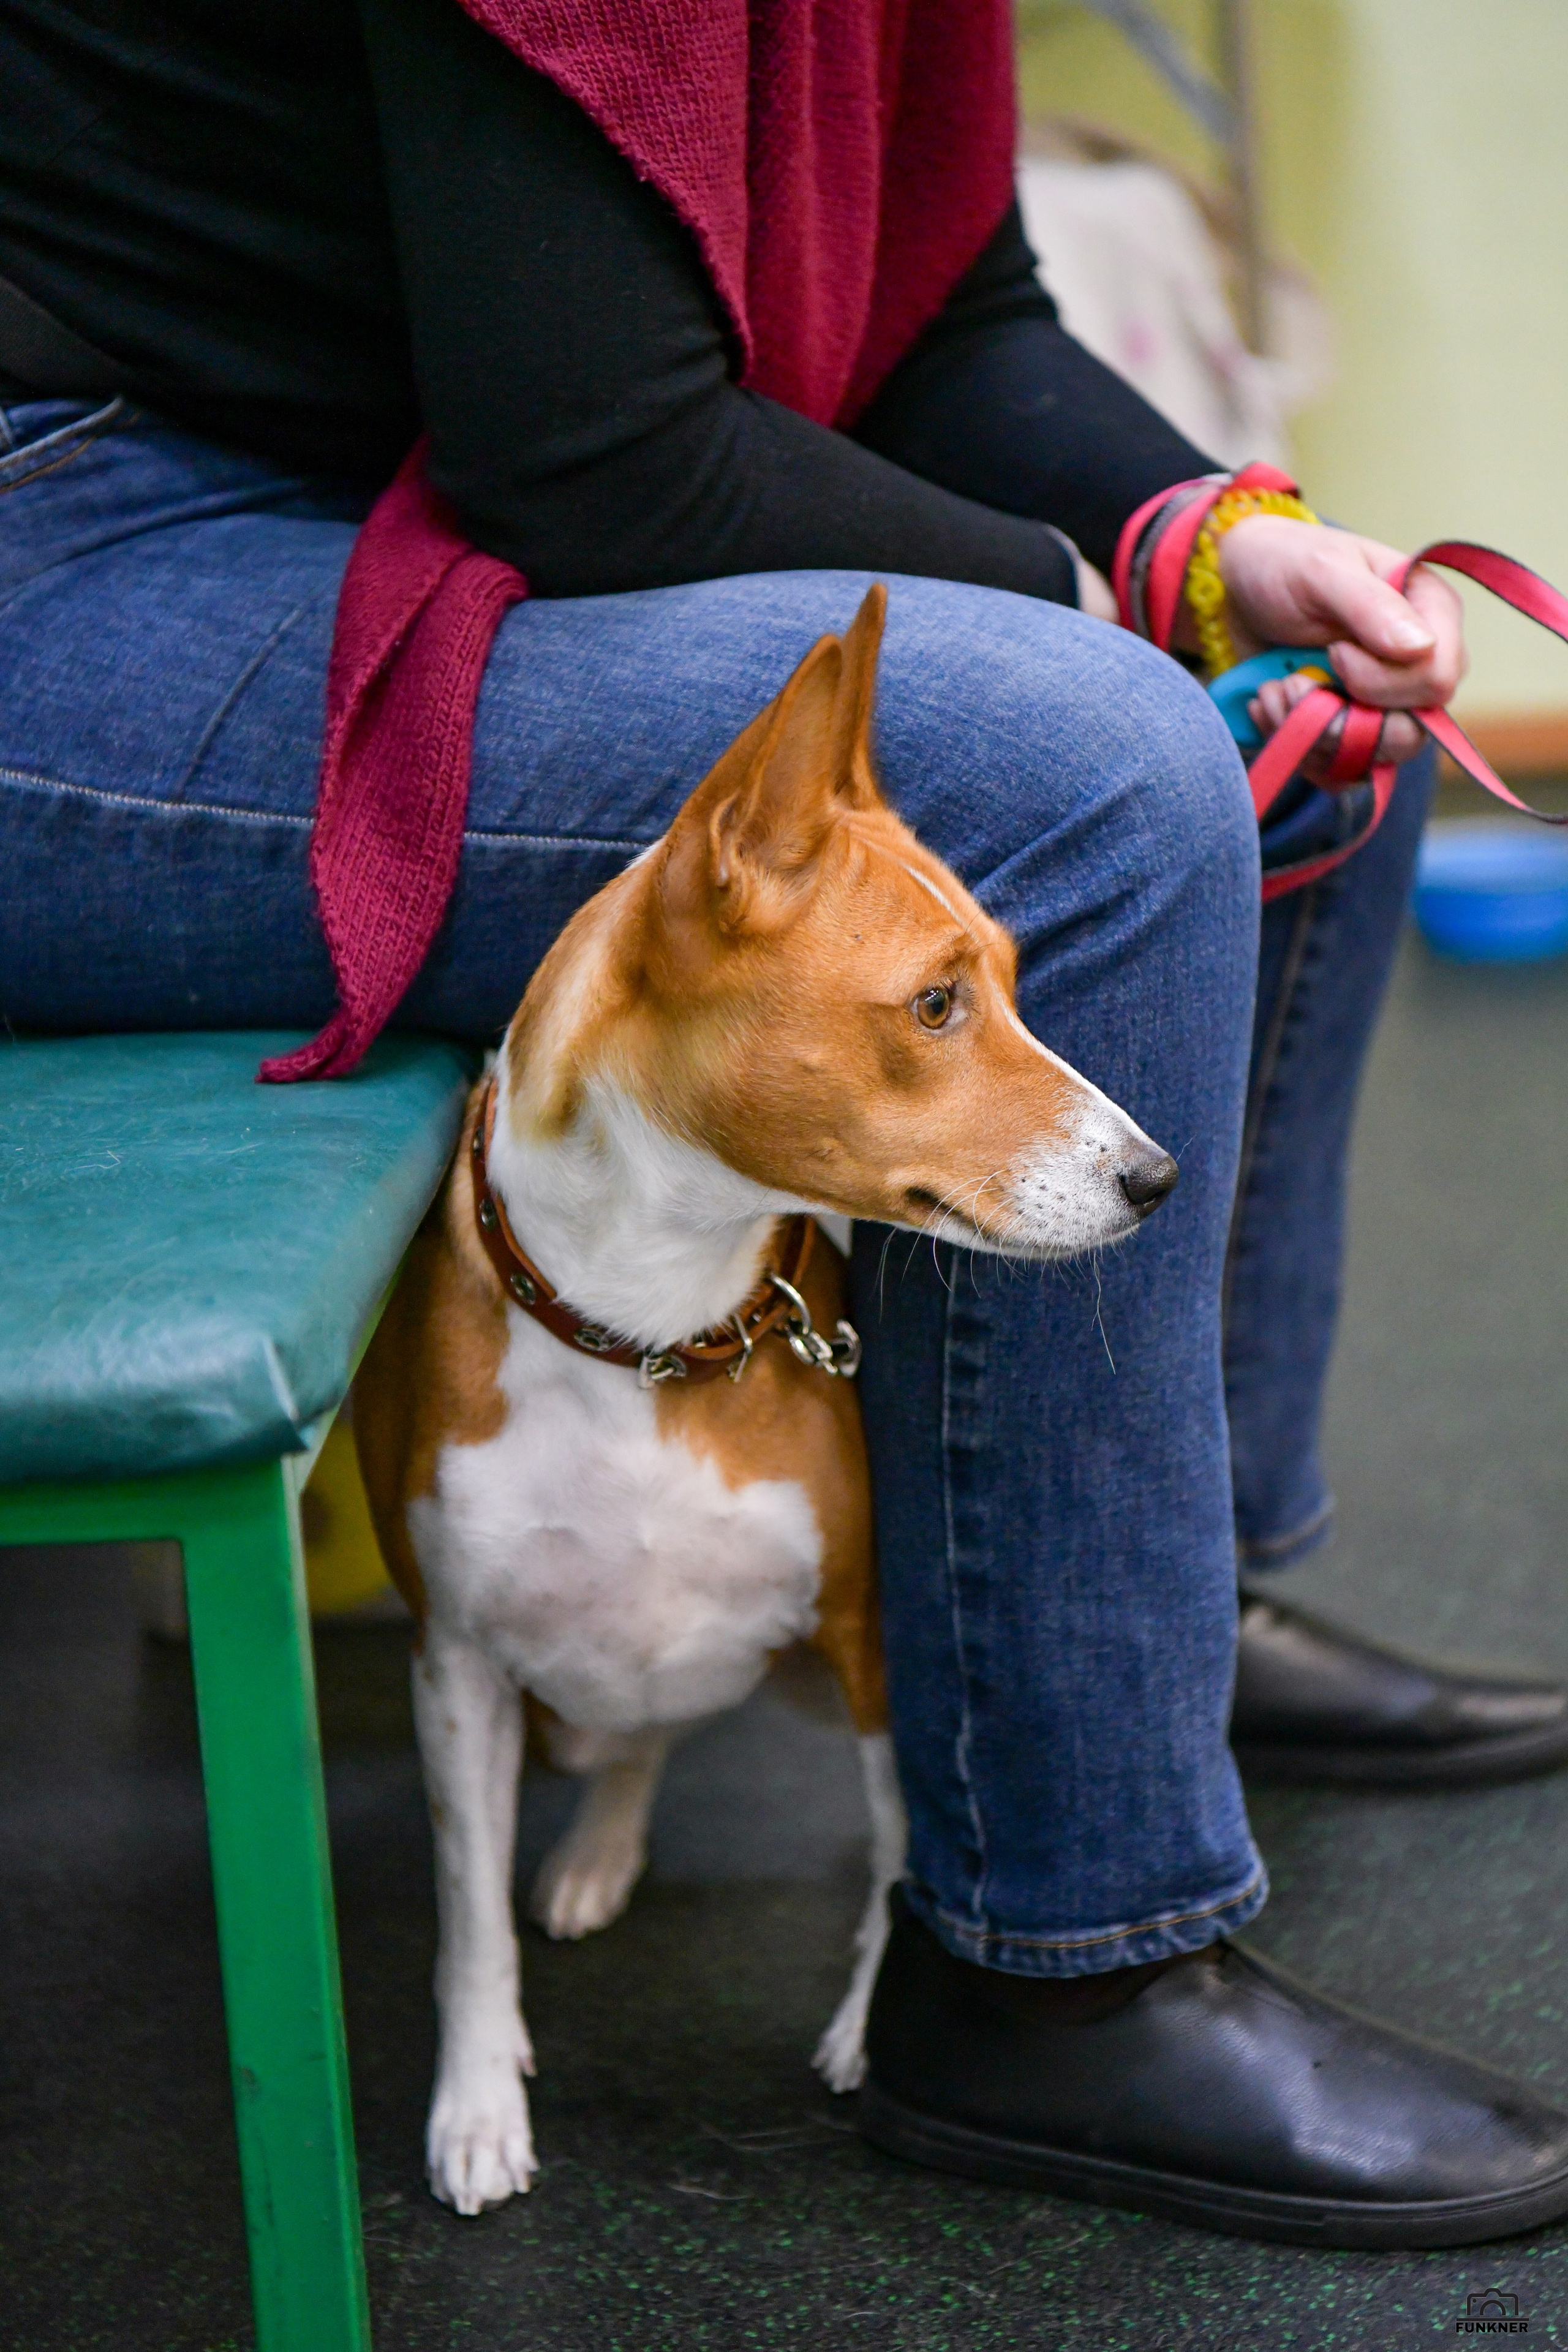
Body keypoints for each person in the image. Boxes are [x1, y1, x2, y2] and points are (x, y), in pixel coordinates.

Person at [3, 0, 1566, 2247]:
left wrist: (1209, 550)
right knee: (1105, 780)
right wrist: (1098, 616)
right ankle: (1064, 1957)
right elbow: (599, 453)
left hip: (357, 491)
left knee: (1314, 721)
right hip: (75, 540)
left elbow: (956, 309)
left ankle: (1141, 1611)